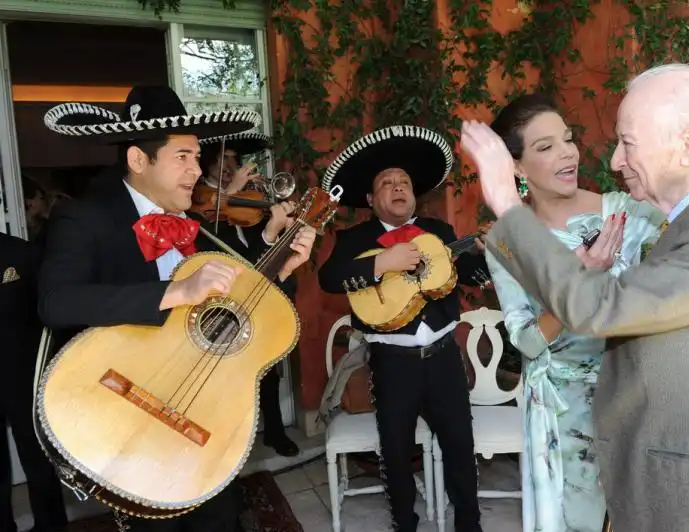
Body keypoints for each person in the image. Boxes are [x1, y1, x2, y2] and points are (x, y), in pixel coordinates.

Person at [463, 63, 689, 532]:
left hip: (664, 437)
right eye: (545, 146)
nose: (609, 159)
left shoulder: (641, 215)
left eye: (567, 138)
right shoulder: (508, 241)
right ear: (517, 166)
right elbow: (526, 338)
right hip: (569, 409)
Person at [37, 85, 316, 532]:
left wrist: (278, 260)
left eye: (198, 156)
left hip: (200, 415)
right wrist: (176, 292)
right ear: (138, 160)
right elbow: (56, 303)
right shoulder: (85, 218)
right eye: (183, 157)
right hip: (128, 412)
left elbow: (233, 304)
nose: (197, 169)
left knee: (223, 519)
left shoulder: (195, 228)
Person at [318, 125, 487, 532]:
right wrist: (382, 263)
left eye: (404, 182)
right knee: (394, 449)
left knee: (460, 444)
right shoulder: (354, 238)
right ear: (370, 198)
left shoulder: (441, 233)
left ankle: (469, 523)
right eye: (387, 183)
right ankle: (404, 524)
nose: (398, 187)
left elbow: (471, 274)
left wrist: (487, 256)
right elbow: (329, 278)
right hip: (392, 361)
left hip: (445, 356)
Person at [196, 130, 299, 456]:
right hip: (221, 300)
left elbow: (259, 249)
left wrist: (280, 215)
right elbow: (205, 240)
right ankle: (228, 443)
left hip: (258, 291)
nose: (230, 164)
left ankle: (275, 430)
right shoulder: (199, 199)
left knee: (268, 365)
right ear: (208, 163)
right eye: (223, 159)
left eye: (233, 160)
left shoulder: (249, 202)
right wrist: (229, 193)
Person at [0, 232, 67, 532]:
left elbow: (49, 311)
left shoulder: (23, 252)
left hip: (23, 374)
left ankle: (50, 526)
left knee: (38, 459)